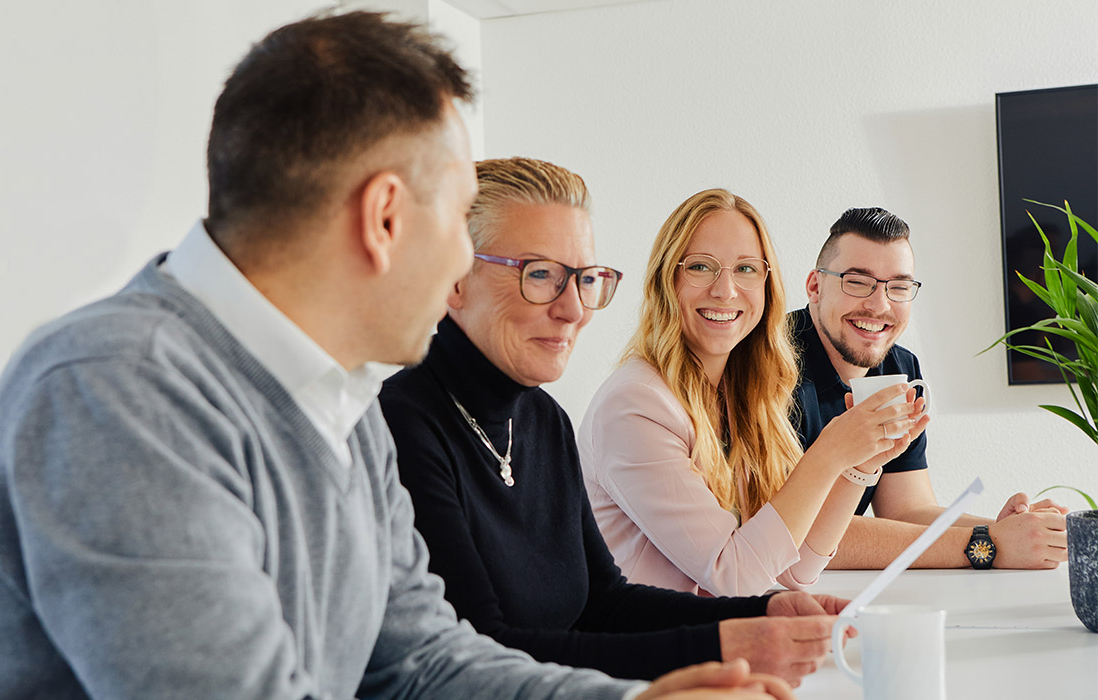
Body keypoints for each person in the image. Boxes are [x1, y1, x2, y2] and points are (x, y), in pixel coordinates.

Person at [0, 13, 796, 700]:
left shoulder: (342, 404)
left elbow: (420, 663)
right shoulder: (117, 392)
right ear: (385, 217)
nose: (464, 265)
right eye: (457, 219)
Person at [380, 158, 853, 688]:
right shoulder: (401, 429)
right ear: (453, 280)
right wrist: (722, 643)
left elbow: (602, 602)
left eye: (585, 279)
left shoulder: (541, 419)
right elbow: (484, 651)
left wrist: (758, 616)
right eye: (539, 274)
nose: (575, 309)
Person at [578, 189, 929, 598]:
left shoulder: (742, 395)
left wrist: (859, 465)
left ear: (766, 284)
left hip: (710, 640)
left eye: (745, 269)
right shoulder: (635, 406)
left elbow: (794, 570)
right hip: (641, 655)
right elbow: (734, 577)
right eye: (701, 267)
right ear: (666, 280)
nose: (726, 290)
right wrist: (831, 451)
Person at [791, 206, 1069, 569]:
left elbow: (907, 510)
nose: (879, 305)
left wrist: (1009, 530)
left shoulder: (899, 368)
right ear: (815, 286)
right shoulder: (767, 365)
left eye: (899, 287)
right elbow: (795, 536)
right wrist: (988, 545)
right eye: (857, 282)